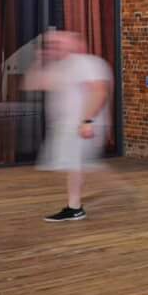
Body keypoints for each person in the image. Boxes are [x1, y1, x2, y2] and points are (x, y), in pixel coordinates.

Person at [33, 29, 112, 222]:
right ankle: (76, 206)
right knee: (74, 167)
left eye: (58, 44)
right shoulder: (62, 67)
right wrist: (39, 60)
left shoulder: (86, 64)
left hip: (82, 126)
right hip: (68, 126)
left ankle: (77, 206)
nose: (53, 48)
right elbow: (34, 83)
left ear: (74, 44)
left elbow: (99, 92)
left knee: (76, 166)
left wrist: (87, 121)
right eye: (51, 45)